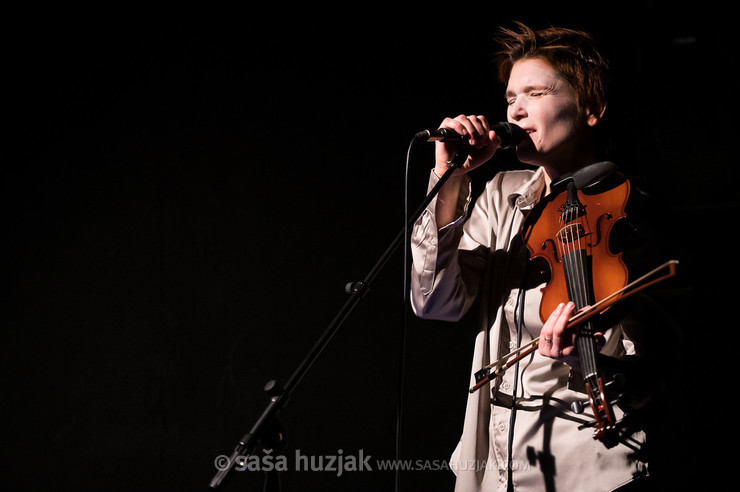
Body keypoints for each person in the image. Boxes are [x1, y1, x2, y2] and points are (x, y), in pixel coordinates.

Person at [410, 22, 668, 491]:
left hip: (585, 464)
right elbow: (434, 302)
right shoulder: (503, 194)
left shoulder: (628, 210)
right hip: (495, 461)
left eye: (537, 92)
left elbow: (656, 364)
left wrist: (585, 361)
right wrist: (449, 179)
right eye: (511, 98)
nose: (518, 110)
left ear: (591, 109)